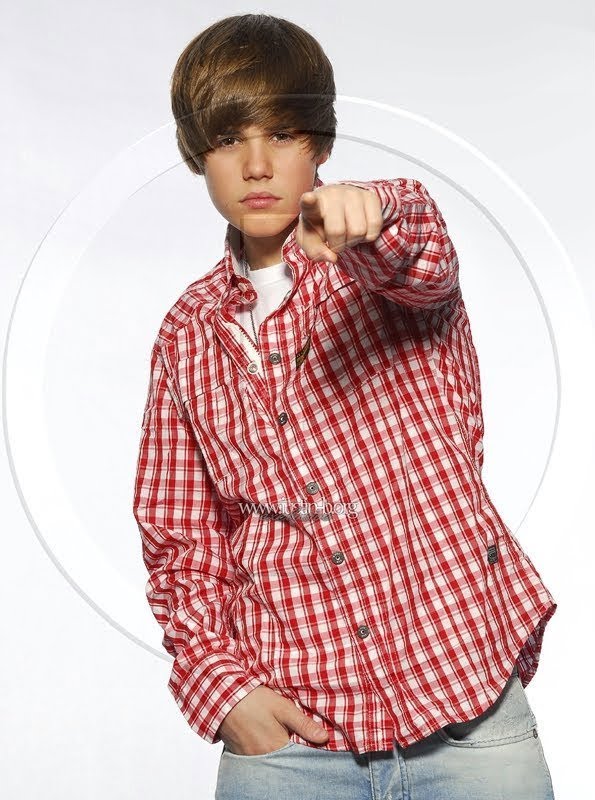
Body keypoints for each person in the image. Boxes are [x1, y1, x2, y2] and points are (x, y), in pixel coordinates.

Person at [132, 12, 558, 800]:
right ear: (197, 156)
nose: (256, 165)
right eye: (228, 140)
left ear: (319, 144)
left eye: (282, 134)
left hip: (466, 714)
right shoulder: (187, 333)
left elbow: (421, 252)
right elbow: (180, 536)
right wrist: (221, 689)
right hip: (292, 739)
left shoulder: (376, 265)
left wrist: (373, 210)